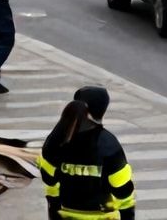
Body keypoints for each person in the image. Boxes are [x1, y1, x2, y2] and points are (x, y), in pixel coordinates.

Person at [39, 86, 136, 220]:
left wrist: (54, 210)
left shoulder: (57, 139)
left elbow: (49, 181)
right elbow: (123, 191)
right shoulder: (108, 144)